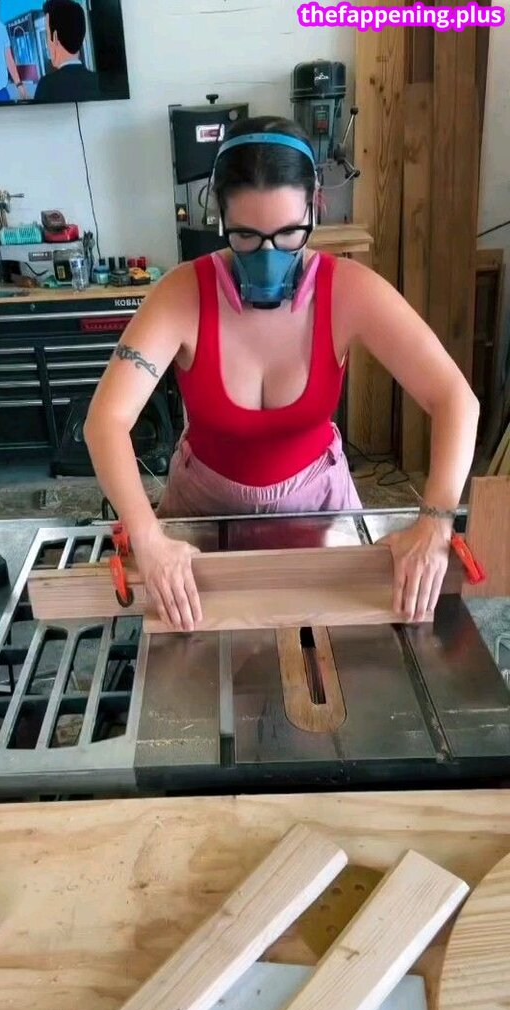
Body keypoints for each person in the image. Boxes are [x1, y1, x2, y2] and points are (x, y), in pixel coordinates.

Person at [84, 116, 479, 633]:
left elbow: (455, 398)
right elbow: (106, 421)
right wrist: (147, 536)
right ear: (219, 216)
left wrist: (437, 522)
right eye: (246, 237)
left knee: (345, 645)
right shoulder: (181, 295)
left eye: (290, 233)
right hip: (203, 506)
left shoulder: (349, 291)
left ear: (315, 206)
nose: (269, 255)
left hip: (318, 503)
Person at [34, 0, 99, 104]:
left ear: (55, 37)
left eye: (47, 34)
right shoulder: (98, 81)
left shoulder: (46, 86)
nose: (47, 43)